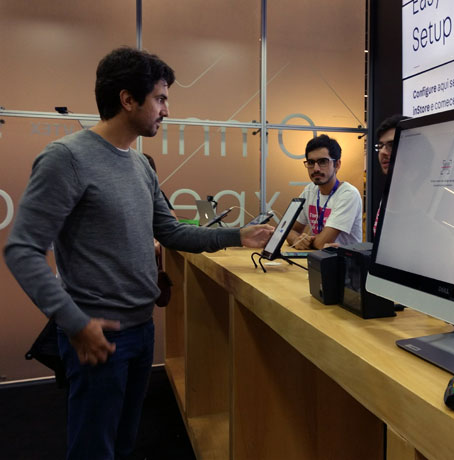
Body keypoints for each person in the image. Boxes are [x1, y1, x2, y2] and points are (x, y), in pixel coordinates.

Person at [3, 47, 273, 460]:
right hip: (98, 334)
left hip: (141, 329)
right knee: (94, 450)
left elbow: (171, 231)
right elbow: (22, 250)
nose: (167, 109)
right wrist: (75, 323)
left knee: (125, 444)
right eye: (160, 98)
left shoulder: (140, 165)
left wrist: (239, 236)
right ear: (128, 99)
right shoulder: (66, 158)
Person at [286, 134, 362, 249]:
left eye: (323, 162)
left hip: (342, 260)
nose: (316, 168)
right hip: (316, 257)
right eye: (311, 162)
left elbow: (322, 243)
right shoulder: (309, 191)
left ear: (337, 165)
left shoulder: (348, 194)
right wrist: (297, 240)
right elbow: (289, 230)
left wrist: (306, 241)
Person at [373, 114, 408, 235]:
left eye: (392, 145)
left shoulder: (422, 197)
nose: (382, 152)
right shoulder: (390, 194)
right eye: (381, 146)